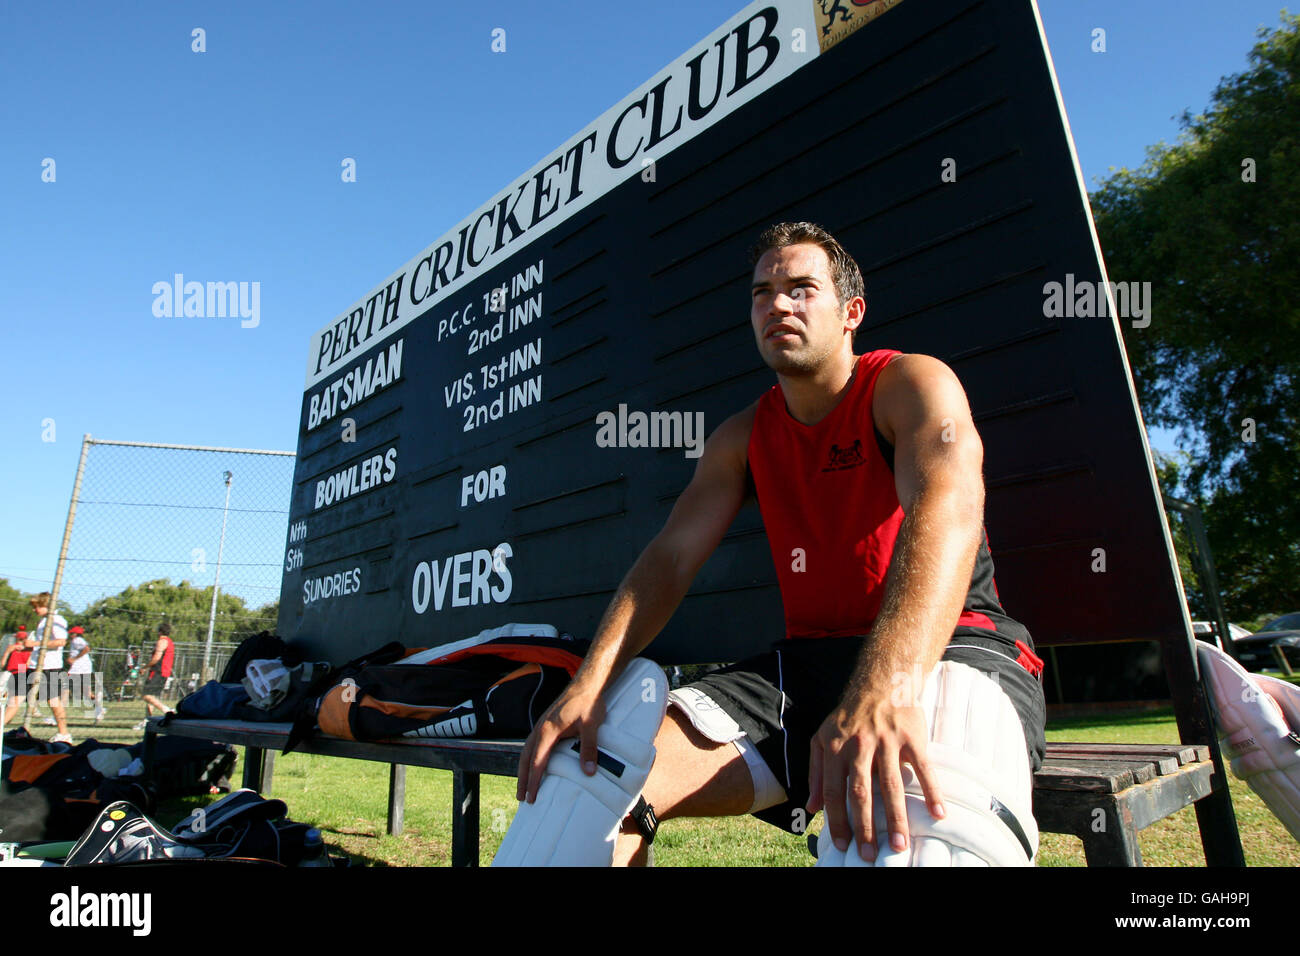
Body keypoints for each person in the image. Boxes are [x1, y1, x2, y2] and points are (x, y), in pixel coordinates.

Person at [512, 222, 1047, 867]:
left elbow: (949, 508)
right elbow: (670, 557)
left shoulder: (908, 384)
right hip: (809, 671)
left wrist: (889, 686)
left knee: (926, 834)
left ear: (852, 312)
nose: (778, 305)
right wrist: (588, 682)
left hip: (948, 649)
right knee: (592, 779)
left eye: (801, 288)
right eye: (763, 292)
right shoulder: (743, 436)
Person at [4, 593, 74, 743]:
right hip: (34, 667)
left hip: (49, 668)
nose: (34, 610)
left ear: (46, 606)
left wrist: (35, 644)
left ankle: (64, 733)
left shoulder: (57, 620)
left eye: (37, 607)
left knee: (53, 701)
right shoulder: (44, 621)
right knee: (15, 698)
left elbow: (61, 641)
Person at [134, 623, 175, 731]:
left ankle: (167, 710)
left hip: (158, 671)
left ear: (159, 632)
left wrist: (145, 667)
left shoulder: (162, 642)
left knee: (146, 695)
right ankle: (147, 720)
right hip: (163, 672)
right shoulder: (170, 642)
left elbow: (156, 658)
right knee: (151, 698)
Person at [65, 625, 105, 722]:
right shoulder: (77, 641)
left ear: (76, 634)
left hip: (79, 668)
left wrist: (74, 659)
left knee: (64, 686)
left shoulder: (77, 640)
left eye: (72, 633)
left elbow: (87, 649)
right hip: (82, 668)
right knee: (87, 693)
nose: (70, 635)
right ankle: (99, 708)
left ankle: (58, 714)